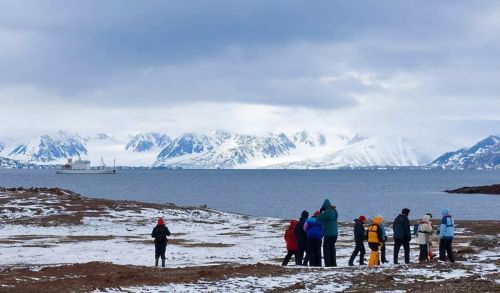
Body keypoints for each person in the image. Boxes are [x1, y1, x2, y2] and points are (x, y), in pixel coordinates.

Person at [317, 199, 339, 267]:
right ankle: (333, 263)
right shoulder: (335, 212)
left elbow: (319, 219)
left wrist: (321, 212)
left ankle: (328, 264)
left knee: (326, 248)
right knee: (332, 247)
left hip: (328, 233)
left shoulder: (326, 213)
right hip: (335, 233)